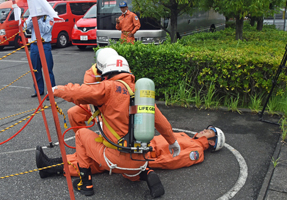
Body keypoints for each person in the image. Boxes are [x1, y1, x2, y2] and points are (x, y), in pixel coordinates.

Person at [36, 55, 180, 198]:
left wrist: (56, 89)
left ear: (107, 74)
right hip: (141, 160)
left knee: (81, 135)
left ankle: (85, 184)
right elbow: (162, 123)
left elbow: (79, 92)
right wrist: (173, 142)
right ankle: (147, 174)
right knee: (130, 170)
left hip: (115, 159)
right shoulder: (142, 94)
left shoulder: (109, 88)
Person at [35, 125, 225, 194]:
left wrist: (145, 165)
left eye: (208, 131)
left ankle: (52, 167)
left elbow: (171, 160)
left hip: (145, 153)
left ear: (212, 140)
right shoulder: (188, 137)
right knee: (94, 155)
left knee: (96, 162)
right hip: (141, 144)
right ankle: (53, 163)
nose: (203, 129)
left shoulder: (197, 151)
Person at [24, 15, 56, 98]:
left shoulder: (49, 17)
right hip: (34, 45)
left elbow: (45, 30)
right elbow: (26, 26)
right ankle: (38, 90)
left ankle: (51, 92)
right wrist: (32, 18)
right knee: (35, 69)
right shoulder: (33, 16)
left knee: (48, 69)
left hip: (45, 45)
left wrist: (38, 20)